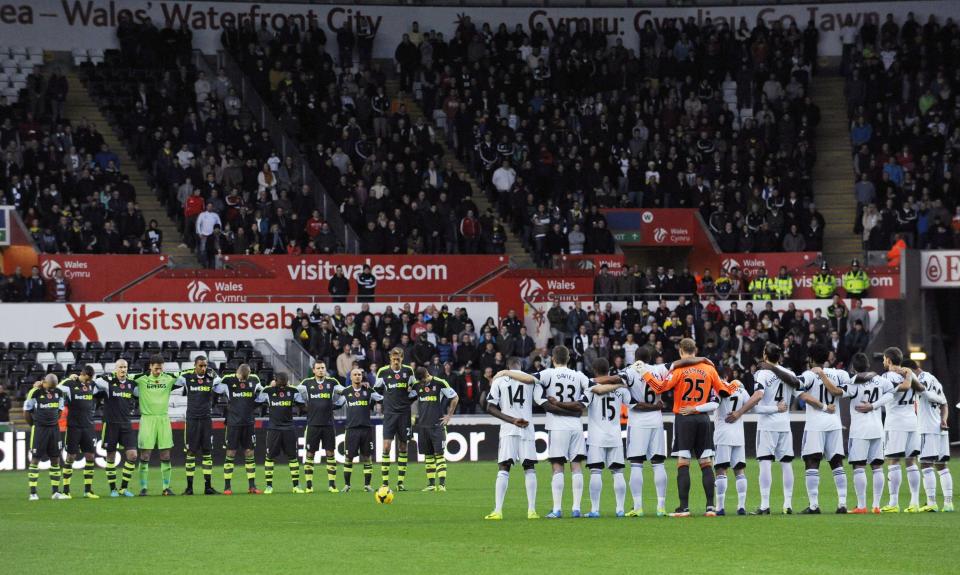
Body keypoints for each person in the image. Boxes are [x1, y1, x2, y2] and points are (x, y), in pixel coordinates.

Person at [636, 338, 740, 517]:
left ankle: (683, 507)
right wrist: (736, 384)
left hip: (684, 418)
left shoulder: (679, 370)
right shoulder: (709, 369)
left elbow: (660, 388)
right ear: (696, 349)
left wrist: (645, 373)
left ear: (680, 352)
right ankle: (710, 507)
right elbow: (725, 391)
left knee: (683, 464)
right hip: (703, 419)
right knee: (706, 463)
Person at [723, 343, 799, 515]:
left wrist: (740, 412)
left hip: (768, 425)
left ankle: (765, 505)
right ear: (779, 357)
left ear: (765, 355)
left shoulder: (762, 373)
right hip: (785, 425)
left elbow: (758, 398)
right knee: (786, 464)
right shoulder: (790, 374)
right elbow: (797, 390)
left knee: (765, 463)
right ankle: (787, 504)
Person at [535, 345, 591, 518]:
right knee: (576, 466)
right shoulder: (579, 375)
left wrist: (506, 373)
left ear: (553, 359)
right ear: (568, 359)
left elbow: (531, 380)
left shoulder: (547, 374)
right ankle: (576, 508)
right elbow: (589, 393)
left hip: (557, 426)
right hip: (575, 425)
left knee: (557, 466)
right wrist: (575, 410)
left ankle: (557, 509)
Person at [796, 345, 854, 514]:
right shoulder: (839, 374)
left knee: (812, 461)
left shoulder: (809, 374)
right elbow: (846, 388)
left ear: (811, 360)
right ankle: (842, 503)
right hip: (835, 423)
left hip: (815, 424)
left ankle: (814, 505)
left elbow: (798, 389)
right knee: (837, 462)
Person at [619, 346, 671, 517]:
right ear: (651, 357)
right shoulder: (659, 369)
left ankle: (638, 506)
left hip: (638, 421)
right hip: (656, 420)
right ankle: (661, 506)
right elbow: (677, 364)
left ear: (635, 357)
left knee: (636, 464)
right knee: (658, 463)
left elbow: (615, 380)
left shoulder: (629, 371)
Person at [579, 358, 633, 518]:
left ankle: (595, 510)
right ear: (609, 371)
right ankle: (620, 509)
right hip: (615, 436)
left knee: (596, 472)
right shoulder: (621, 390)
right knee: (618, 472)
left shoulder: (590, 387)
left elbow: (581, 406)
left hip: (596, 437)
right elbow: (634, 404)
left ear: (595, 371)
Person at [847, 352, 899, 513]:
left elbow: (838, 392)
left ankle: (862, 506)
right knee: (877, 467)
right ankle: (876, 505)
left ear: (854, 368)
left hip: (859, 430)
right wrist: (875, 405)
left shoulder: (852, 382)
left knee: (859, 467)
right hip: (877, 428)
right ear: (868, 365)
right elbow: (892, 393)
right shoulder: (881, 380)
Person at [879, 347, 927, 513]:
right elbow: (922, 390)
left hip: (895, 423)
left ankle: (893, 503)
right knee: (911, 461)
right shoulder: (910, 373)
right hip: (912, 422)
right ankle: (914, 502)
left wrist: (907, 375)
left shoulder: (887, 376)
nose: (884, 362)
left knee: (893, 461)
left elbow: (903, 388)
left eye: (885, 359)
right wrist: (909, 374)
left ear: (889, 360)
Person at [132, 354, 179, 496]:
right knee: (145, 454)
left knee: (165, 454)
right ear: (150, 367)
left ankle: (166, 487)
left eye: (160, 368)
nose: (159, 371)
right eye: (156, 368)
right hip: (147, 419)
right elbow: (121, 377)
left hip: (163, 419)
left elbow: (187, 375)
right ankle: (143, 488)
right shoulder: (141, 379)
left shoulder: (169, 378)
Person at [214, 364, 265, 494]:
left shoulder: (254, 380)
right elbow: (215, 388)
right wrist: (215, 378)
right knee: (230, 453)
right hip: (233, 424)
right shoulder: (228, 380)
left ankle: (252, 486)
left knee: (249, 453)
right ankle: (227, 487)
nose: (243, 381)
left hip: (248, 423)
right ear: (237, 373)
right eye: (241, 378)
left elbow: (261, 395)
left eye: (245, 379)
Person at [297, 360, 346, 493]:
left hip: (328, 425)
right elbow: (295, 393)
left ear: (325, 369)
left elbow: (346, 392)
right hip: (313, 424)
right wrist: (302, 406)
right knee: (310, 454)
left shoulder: (332, 382)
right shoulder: (307, 383)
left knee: (330, 453)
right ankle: (308, 485)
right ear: (313, 370)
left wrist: (336, 405)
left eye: (323, 368)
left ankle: (332, 485)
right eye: (318, 368)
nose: (320, 370)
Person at [176, 355, 221, 495]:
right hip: (192, 420)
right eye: (200, 365)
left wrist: (213, 372)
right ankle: (189, 488)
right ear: (195, 365)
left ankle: (208, 487)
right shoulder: (187, 378)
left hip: (206, 420)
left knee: (207, 452)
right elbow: (174, 378)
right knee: (191, 452)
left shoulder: (211, 378)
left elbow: (220, 381)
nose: (203, 368)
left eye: (205, 366)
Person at [94, 359, 139, 497]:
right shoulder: (109, 383)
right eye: (120, 367)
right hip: (110, 424)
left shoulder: (132, 385)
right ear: (115, 369)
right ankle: (113, 488)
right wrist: (106, 376)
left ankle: (123, 488)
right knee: (111, 456)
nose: (123, 369)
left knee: (132, 455)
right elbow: (95, 383)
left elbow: (141, 396)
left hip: (126, 424)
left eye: (125, 367)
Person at [374, 348, 417, 490]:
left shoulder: (409, 371)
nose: (396, 361)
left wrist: (406, 403)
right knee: (386, 447)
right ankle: (385, 482)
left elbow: (415, 390)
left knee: (403, 447)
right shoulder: (383, 372)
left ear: (402, 358)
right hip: (390, 415)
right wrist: (385, 402)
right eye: (393, 358)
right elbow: (376, 391)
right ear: (390, 358)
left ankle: (400, 483)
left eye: (398, 358)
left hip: (404, 414)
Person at [910, 360, 949, 512]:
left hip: (927, 427)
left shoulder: (921, 379)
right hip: (940, 426)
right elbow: (944, 403)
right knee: (942, 466)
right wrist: (944, 419)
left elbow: (922, 391)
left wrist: (908, 376)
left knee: (926, 464)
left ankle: (931, 503)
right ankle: (948, 503)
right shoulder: (935, 380)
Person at [412, 366, 459, 492]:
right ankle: (431, 485)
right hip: (422, 426)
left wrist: (449, 415)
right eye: (420, 382)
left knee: (439, 454)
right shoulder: (416, 385)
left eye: (423, 381)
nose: (421, 384)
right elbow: (408, 398)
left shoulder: (440, 383)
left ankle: (442, 485)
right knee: (428, 456)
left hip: (437, 425)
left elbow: (455, 397)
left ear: (427, 374)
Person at [58, 366, 102, 499]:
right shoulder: (70, 384)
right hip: (74, 427)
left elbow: (103, 384)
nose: (90, 381)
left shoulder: (92, 385)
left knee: (90, 457)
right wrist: (68, 377)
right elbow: (57, 387)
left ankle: (87, 490)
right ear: (83, 374)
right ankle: (66, 491)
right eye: (89, 378)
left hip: (88, 427)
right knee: (70, 457)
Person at [259, 373, 305, 494]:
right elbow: (255, 402)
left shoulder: (293, 391)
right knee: (270, 457)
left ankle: (296, 486)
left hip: (288, 429)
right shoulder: (267, 391)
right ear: (275, 380)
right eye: (281, 381)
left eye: (285, 381)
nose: (283, 384)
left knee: (293, 457)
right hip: (274, 429)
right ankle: (269, 486)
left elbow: (303, 406)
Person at [340, 367, 384, 492]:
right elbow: (337, 404)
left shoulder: (368, 391)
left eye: (360, 374)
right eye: (355, 374)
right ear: (351, 377)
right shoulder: (346, 392)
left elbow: (381, 398)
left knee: (367, 457)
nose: (358, 376)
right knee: (349, 458)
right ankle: (347, 485)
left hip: (366, 429)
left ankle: (367, 486)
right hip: (352, 429)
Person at [712, 380, 751, 515]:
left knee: (721, 470)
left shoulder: (717, 387)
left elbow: (712, 405)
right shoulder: (741, 389)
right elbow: (752, 404)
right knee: (739, 470)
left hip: (723, 434)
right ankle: (741, 506)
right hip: (739, 435)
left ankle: (720, 507)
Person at [24, 374, 66, 500]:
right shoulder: (35, 392)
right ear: (43, 382)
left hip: (54, 429)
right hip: (39, 429)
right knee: (36, 459)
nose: (52, 389)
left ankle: (55, 492)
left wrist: (53, 422)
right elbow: (27, 411)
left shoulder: (59, 392)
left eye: (54, 386)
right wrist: (34, 425)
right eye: (50, 386)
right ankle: (33, 493)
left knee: (55, 459)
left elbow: (59, 410)